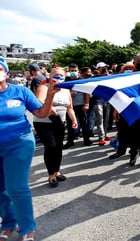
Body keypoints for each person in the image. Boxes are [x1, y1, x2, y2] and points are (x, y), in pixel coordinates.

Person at [0, 56, 59, 241]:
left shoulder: (20, 91)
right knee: (0, 188)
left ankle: (27, 228)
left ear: (5, 72)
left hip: (19, 142)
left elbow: (41, 113)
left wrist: (49, 96)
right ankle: (9, 223)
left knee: (16, 187)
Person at [33, 67, 78, 188]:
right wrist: (49, 106)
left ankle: (57, 171)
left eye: (61, 75)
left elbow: (69, 108)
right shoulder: (44, 86)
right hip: (44, 122)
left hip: (60, 122)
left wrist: (73, 120)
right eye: (56, 75)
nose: (59, 77)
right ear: (50, 75)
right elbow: (39, 100)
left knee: (58, 147)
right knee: (51, 146)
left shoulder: (66, 89)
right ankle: (51, 175)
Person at [109, 55, 140, 168]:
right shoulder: (127, 76)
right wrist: (116, 109)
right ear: (133, 62)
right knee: (133, 135)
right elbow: (118, 93)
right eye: (139, 62)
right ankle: (133, 155)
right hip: (131, 109)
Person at [63, 63, 92, 149]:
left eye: (75, 71)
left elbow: (87, 93)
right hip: (69, 106)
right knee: (70, 124)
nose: (74, 72)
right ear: (69, 71)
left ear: (78, 71)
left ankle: (86, 139)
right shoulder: (65, 81)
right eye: (72, 71)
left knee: (84, 123)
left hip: (81, 105)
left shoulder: (82, 80)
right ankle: (70, 141)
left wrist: (87, 104)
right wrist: (68, 94)